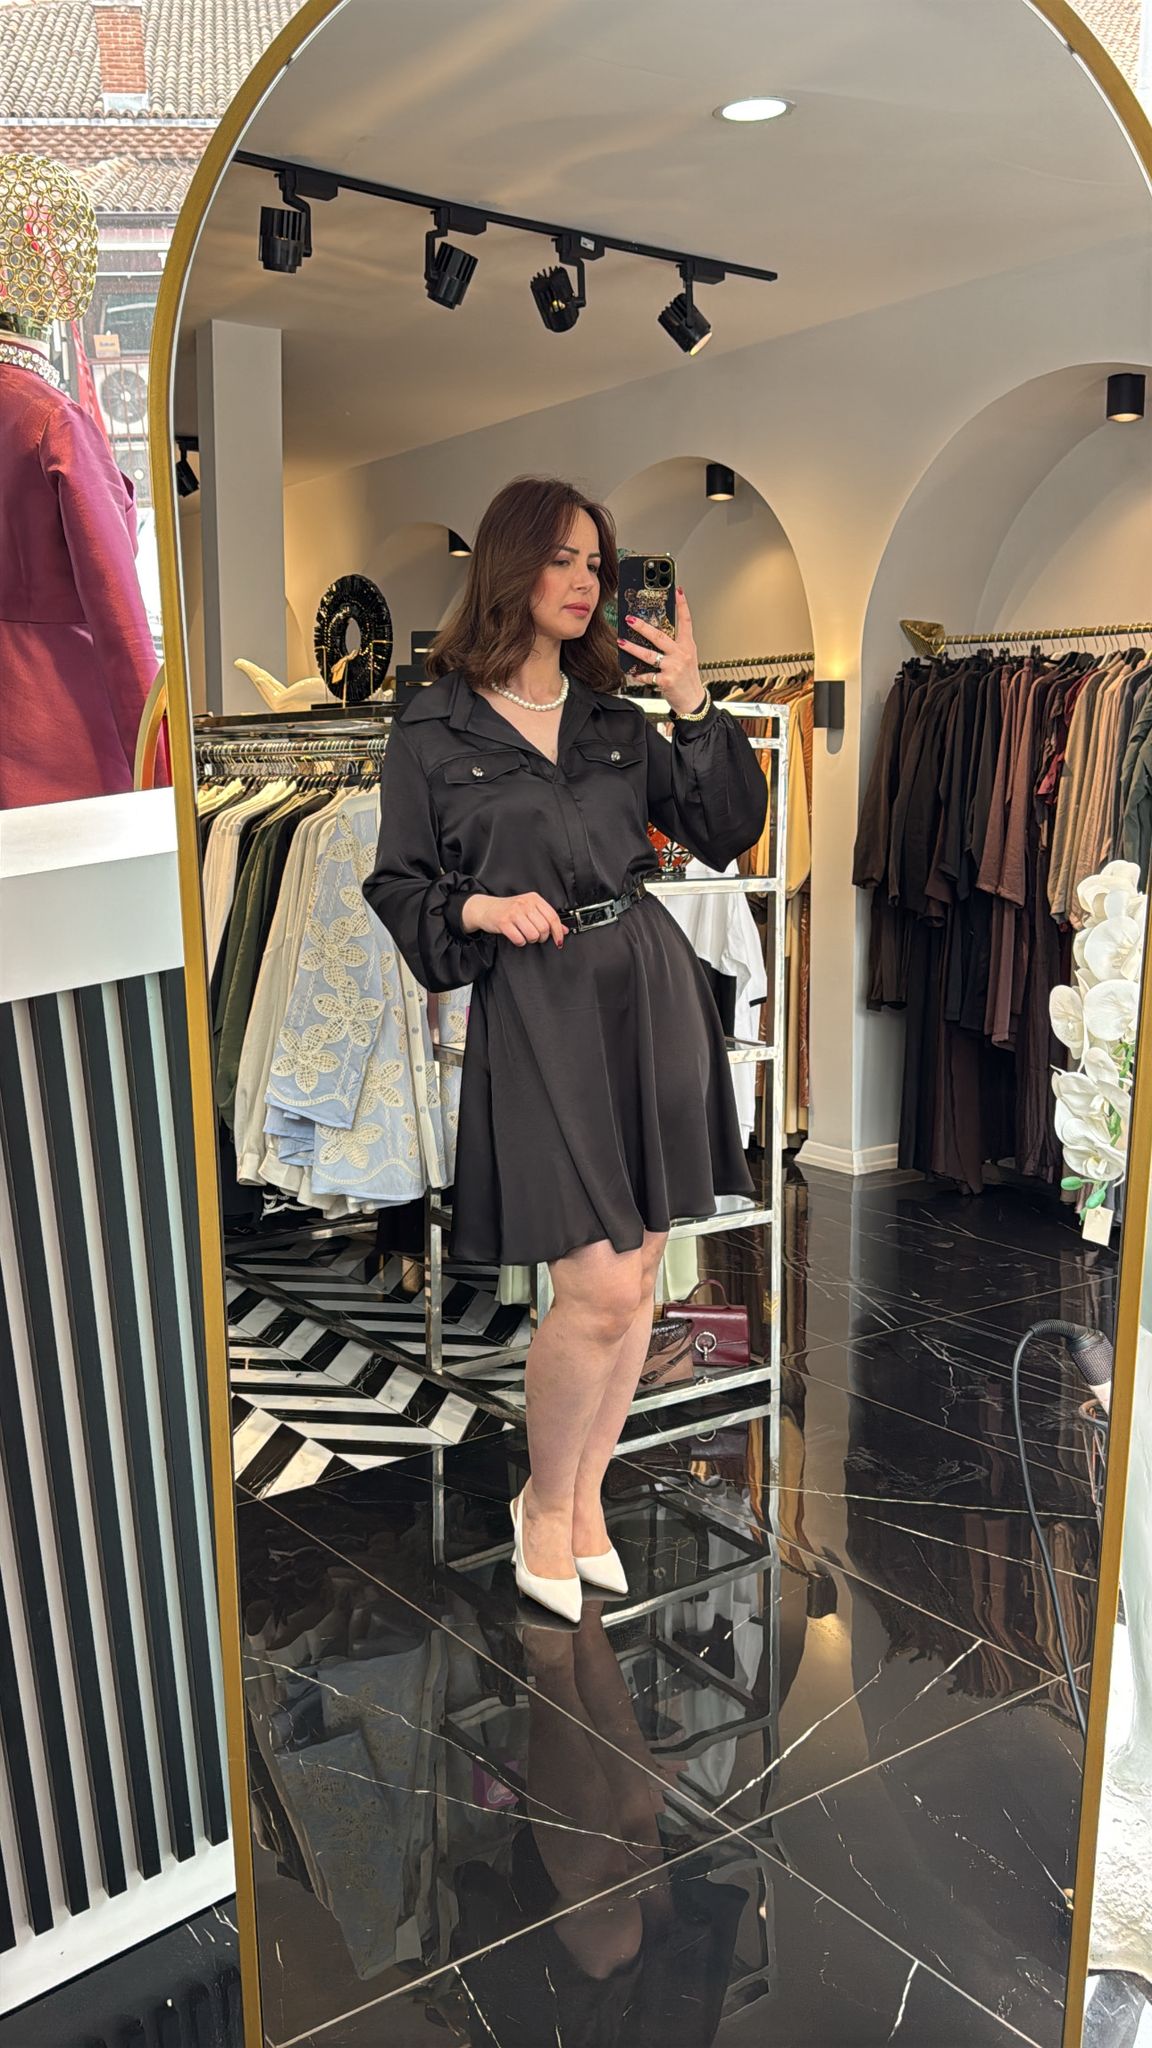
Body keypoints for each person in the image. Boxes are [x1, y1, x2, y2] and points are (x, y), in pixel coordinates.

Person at [364, 476, 767, 1620]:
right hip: (539, 1003)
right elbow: (398, 886)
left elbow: (727, 828)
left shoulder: (615, 722)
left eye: (597, 562)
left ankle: (585, 1496)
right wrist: (479, 909)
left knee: (636, 1274)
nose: (586, 581)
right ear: (511, 566)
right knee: (591, 1282)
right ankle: (542, 1502)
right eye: (562, 558)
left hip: (646, 984)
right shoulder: (432, 725)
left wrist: (692, 699)